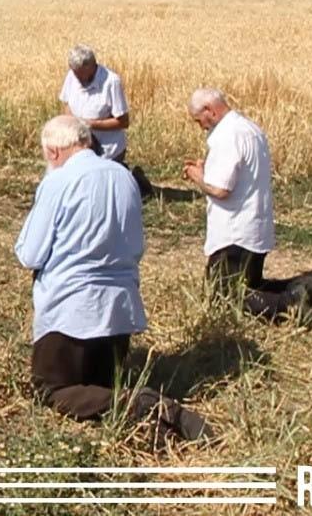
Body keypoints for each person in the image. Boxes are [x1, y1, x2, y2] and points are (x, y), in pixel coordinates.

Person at [16, 115, 208, 442]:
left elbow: (30, 254)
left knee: (49, 389)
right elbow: (136, 247)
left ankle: (143, 404)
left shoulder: (58, 182)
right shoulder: (123, 177)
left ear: (52, 152)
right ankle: (153, 424)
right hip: (119, 313)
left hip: (69, 311)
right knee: (101, 383)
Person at [183, 88, 312, 321]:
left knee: (224, 297)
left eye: (199, 120)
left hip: (233, 234)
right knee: (252, 284)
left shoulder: (227, 136)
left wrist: (196, 176)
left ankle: (292, 302)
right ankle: (302, 286)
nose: (201, 126)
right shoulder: (250, 129)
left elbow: (220, 189)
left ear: (209, 110)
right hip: (255, 227)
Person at [59, 45, 153, 198]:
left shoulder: (111, 82)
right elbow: (67, 104)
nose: (76, 77)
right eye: (74, 73)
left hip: (107, 148)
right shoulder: (72, 76)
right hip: (81, 144)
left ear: (91, 67)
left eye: (79, 73)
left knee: (104, 193)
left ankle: (136, 182)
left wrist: (90, 124)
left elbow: (123, 122)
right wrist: (72, 126)